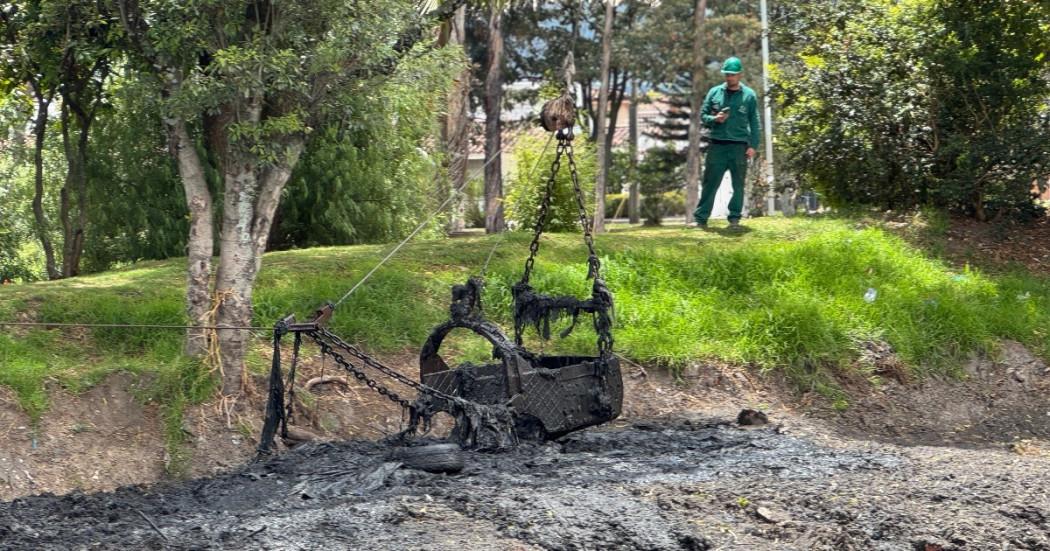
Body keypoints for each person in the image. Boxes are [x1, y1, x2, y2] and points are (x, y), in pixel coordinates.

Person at [693, 56, 761, 229]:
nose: (729, 77)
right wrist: (715, 119)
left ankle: (734, 219)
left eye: (732, 74)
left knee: (738, 184)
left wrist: (753, 145)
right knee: (710, 183)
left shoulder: (749, 95)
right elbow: (703, 116)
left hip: (739, 146)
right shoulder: (714, 92)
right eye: (727, 74)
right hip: (717, 145)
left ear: (739, 75)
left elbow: (755, 122)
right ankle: (701, 219)